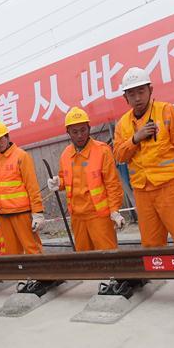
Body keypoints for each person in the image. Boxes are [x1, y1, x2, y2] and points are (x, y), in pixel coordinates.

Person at [113, 67, 174, 248]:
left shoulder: (166, 111)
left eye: (141, 91)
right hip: (142, 190)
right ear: (125, 98)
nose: (137, 98)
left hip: (170, 186)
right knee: (151, 242)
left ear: (150, 90)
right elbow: (119, 155)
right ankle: (159, 275)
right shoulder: (122, 124)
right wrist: (135, 138)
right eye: (131, 94)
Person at [47, 107, 125, 251]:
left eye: (83, 130)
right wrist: (58, 183)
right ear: (68, 132)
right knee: (85, 258)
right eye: (75, 132)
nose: (80, 135)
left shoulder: (102, 151)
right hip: (77, 218)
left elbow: (112, 184)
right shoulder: (65, 154)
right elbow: (65, 179)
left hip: (99, 217)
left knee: (108, 256)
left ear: (89, 128)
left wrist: (114, 211)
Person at [0, 121, 44, 255]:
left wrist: (38, 213)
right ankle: (18, 275)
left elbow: (32, 187)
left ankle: (42, 275)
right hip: (4, 215)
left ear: (7, 136)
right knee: (11, 252)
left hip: (22, 213)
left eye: (0, 139)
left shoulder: (21, 156)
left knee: (32, 248)